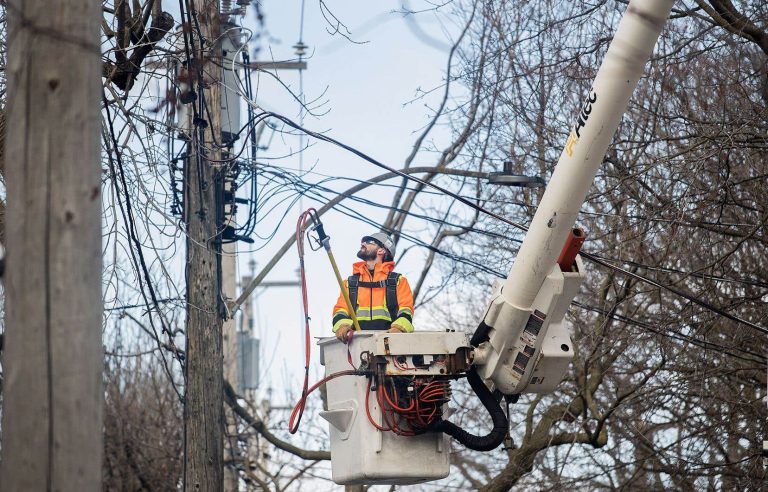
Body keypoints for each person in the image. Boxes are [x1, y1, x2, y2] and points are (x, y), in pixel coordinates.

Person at [332, 232, 414, 342]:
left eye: (369, 242)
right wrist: (342, 325)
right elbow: (340, 310)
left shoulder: (398, 281)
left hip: (389, 343)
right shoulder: (350, 283)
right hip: (356, 343)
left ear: (381, 250)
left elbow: (406, 310)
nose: (363, 243)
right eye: (363, 242)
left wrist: (399, 328)